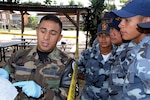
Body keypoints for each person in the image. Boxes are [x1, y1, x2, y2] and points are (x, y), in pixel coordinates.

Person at [0, 15, 78, 100]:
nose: (46, 37)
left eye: (53, 33)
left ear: (59, 37)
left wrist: (42, 93)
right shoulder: (18, 56)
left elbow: (70, 96)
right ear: (37, 31)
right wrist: (3, 79)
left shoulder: (67, 63)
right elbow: (6, 83)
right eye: (43, 31)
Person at [111, 0, 150, 99]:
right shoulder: (139, 47)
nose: (120, 25)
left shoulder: (147, 55)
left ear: (146, 21)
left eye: (127, 20)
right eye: (121, 19)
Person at [78, 23, 112, 100]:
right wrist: (89, 78)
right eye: (100, 35)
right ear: (97, 37)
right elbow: (76, 70)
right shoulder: (87, 54)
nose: (103, 39)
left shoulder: (119, 55)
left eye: (107, 35)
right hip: (89, 97)